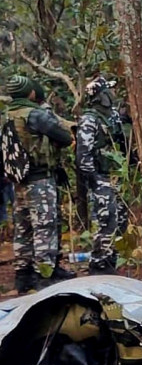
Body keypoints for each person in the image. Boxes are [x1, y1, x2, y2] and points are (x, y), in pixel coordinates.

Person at [3, 75, 74, 291]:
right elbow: (62, 136)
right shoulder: (34, 115)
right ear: (30, 93)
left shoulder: (7, 114)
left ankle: (23, 277)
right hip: (39, 178)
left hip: (19, 180)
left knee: (23, 228)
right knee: (45, 226)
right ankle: (45, 274)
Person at [76, 76, 130, 275]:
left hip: (116, 175)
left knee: (120, 220)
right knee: (105, 219)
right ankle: (99, 263)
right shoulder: (89, 119)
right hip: (100, 177)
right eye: (109, 91)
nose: (113, 94)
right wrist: (94, 179)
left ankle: (112, 259)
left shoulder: (112, 116)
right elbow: (83, 154)